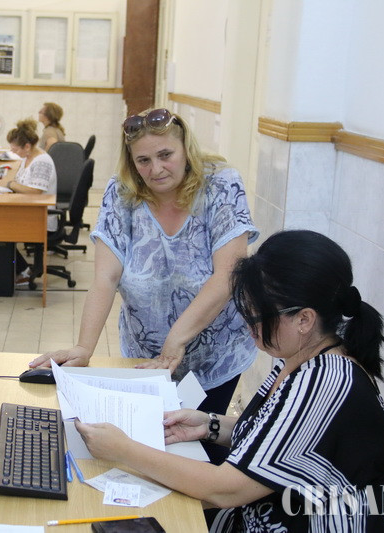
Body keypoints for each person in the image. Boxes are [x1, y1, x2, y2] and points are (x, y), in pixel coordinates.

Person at [74, 230, 384, 531]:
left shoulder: (325, 382)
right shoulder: (303, 358)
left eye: (255, 314)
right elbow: (280, 434)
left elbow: (225, 490)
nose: (248, 325)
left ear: (304, 319)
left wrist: (124, 450)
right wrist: (209, 425)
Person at [30, 108, 258, 461]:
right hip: (146, 355)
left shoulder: (221, 185)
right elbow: (106, 277)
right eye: (143, 161)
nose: (156, 169)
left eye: (166, 155)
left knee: (199, 453)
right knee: (151, 447)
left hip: (215, 353)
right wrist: (84, 347)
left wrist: (176, 340)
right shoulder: (121, 191)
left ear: (186, 149)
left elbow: (227, 274)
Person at [4, 118, 57, 283]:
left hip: (41, 217)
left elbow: (35, 191)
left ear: (27, 146)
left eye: (15, 149)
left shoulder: (41, 162)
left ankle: (23, 271)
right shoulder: (28, 157)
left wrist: (11, 184)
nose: (13, 152)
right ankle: (18, 267)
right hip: (30, 211)